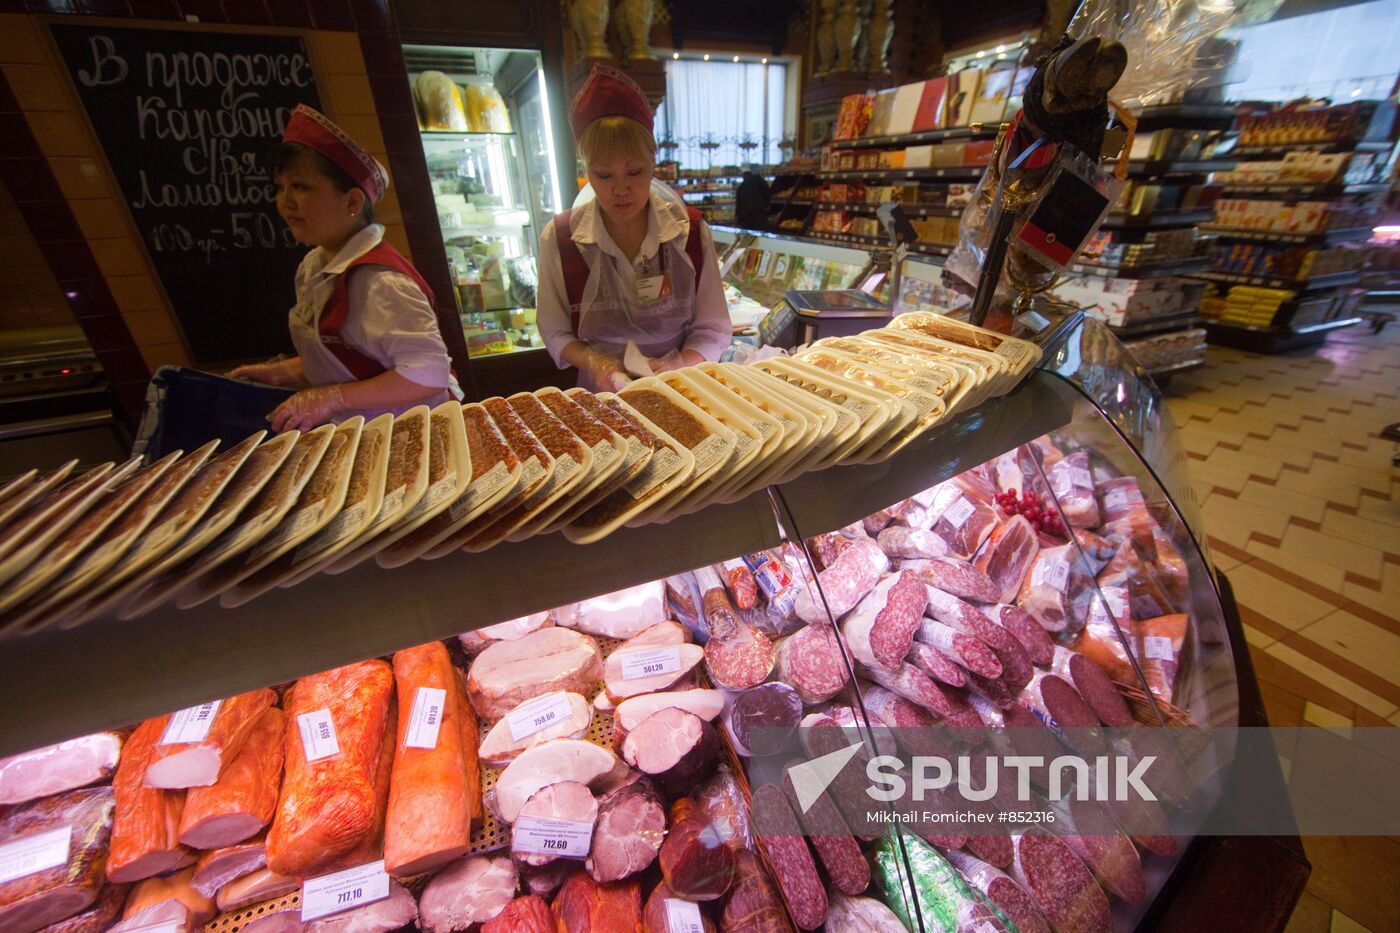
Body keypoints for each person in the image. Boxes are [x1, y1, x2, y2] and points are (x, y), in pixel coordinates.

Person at [228, 104, 461, 431]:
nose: (285, 201)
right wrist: (288, 372)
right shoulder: (314, 265)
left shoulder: (379, 281)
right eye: (280, 187)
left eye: (301, 187)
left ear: (352, 202)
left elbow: (428, 373)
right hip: (366, 431)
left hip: (413, 428)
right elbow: (349, 354)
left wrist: (332, 398)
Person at [536, 65, 731, 392]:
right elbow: (555, 331)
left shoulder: (690, 232)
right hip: (601, 393)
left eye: (635, 172)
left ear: (653, 163)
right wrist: (596, 361)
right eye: (604, 175)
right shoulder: (561, 238)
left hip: (679, 385)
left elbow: (712, 328)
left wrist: (677, 365)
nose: (620, 189)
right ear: (586, 171)